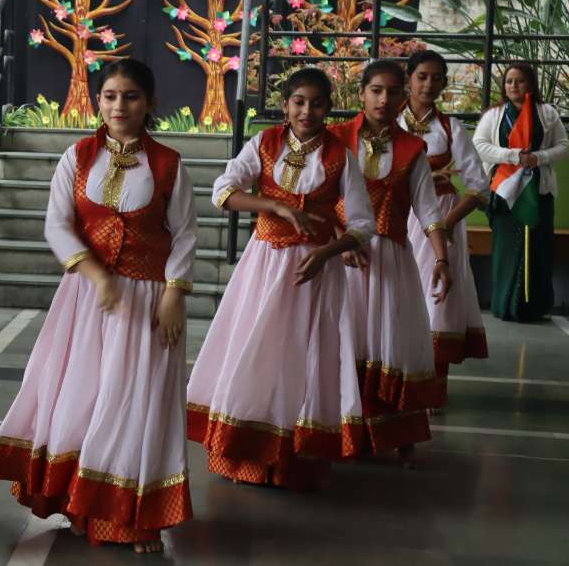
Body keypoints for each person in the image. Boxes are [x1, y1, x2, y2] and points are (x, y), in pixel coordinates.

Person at [0, 59, 197, 554]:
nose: (118, 106)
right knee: (80, 396)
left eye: (130, 97)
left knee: (133, 402)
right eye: (109, 95)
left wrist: (174, 294)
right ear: (97, 100)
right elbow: (57, 224)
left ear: (149, 104)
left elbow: (186, 233)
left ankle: (128, 515)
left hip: (148, 301)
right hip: (86, 298)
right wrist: (95, 273)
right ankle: (82, 502)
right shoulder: (76, 157)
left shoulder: (169, 163)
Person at [187, 67, 374, 491]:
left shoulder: (341, 155)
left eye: (317, 103)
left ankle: (292, 460)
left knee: (302, 359)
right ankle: (245, 455)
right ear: (285, 105)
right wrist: (276, 206)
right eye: (299, 102)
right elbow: (223, 191)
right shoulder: (264, 143)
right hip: (264, 264)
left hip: (314, 272)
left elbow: (364, 224)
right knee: (253, 350)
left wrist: (327, 253)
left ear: (329, 107)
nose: (307, 110)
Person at [331, 59, 451, 463]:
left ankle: (391, 429)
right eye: (376, 90)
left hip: (391, 259)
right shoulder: (334, 139)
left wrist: (441, 258)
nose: (384, 99)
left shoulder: (413, 148)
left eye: (392, 91)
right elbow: (318, 201)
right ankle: (336, 430)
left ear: (403, 97)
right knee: (342, 340)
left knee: (388, 343)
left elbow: (428, 210)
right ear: (361, 93)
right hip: (341, 258)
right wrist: (338, 241)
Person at [398, 50, 490, 393]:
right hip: (398, 214)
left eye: (437, 77)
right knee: (397, 291)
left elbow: (479, 185)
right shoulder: (388, 123)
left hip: (441, 213)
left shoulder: (450, 128)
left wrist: (449, 221)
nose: (428, 84)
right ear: (408, 78)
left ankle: (433, 386)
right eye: (422, 76)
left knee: (437, 297)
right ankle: (393, 380)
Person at [473, 62, 569, 322]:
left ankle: (534, 307)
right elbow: (480, 145)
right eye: (508, 81)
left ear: (531, 84)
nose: (513, 86)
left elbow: (564, 147)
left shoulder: (547, 113)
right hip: (504, 192)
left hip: (539, 192)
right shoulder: (493, 115)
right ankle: (505, 304)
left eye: (519, 81)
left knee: (538, 247)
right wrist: (513, 155)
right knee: (507, 249)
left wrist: (537, 158)